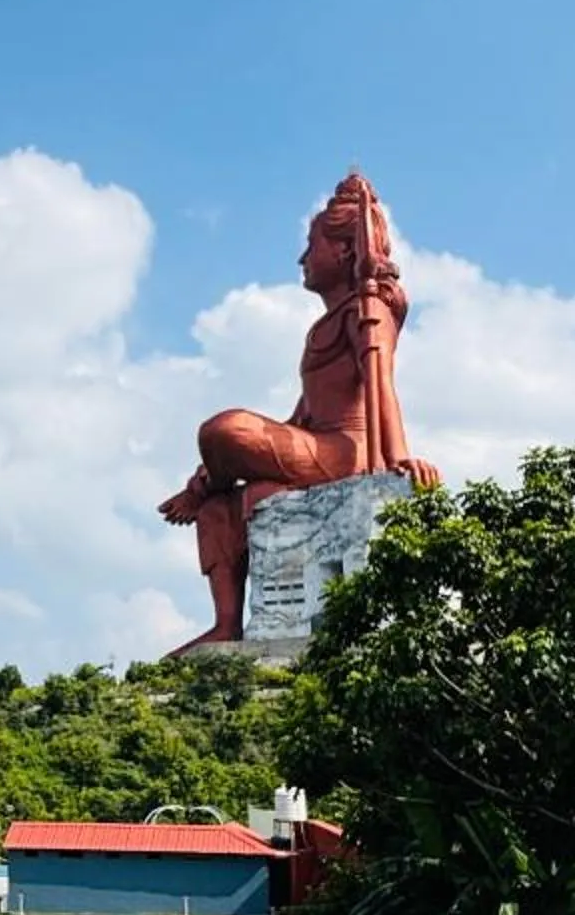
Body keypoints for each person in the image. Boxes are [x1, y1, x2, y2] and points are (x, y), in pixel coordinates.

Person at [159, 169, 439, 647]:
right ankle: (227, 624)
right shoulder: (322, 326)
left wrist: (398, 460)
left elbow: (380, 383)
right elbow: (299, 420)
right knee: (220, 509)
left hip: (345, 452)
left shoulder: (367, 310)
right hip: (315, 446)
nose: (303, 258)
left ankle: (211, 478)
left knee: (223, 430)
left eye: (313, 246)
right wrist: (206, 484)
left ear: (345, 250)